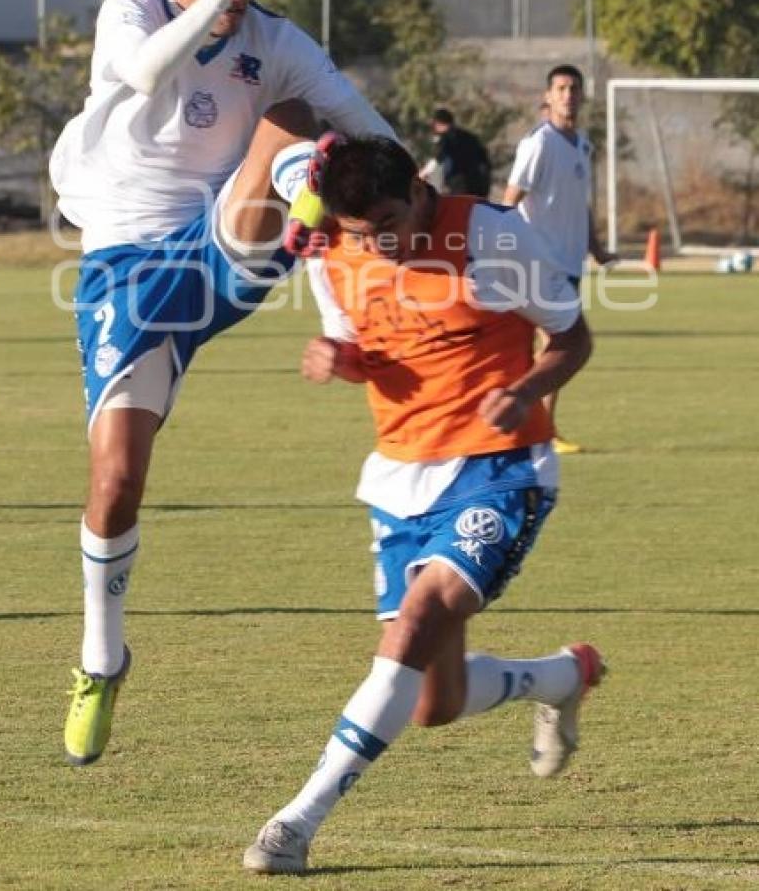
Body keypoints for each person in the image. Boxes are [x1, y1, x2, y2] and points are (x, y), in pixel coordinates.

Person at [50, 0, 394, 768]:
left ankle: (313, 214)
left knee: (298, 124)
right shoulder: (130, 10)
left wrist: (411, 196)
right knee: (117, 478)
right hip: (127, 270)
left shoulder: (271, 39)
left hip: (223, 249)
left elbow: (367, 123)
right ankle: (102, 657)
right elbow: (141, 73)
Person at [243, 136, 604, 876]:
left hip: (501, 470)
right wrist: (337, 358)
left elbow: (572, 336)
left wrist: (527, 391)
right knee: (431, 703)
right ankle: (563, 676)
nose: (379, 242)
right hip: (399, 479)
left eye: (387, 222)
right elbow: (360, 346)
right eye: (359, 230)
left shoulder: (492, 236)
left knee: (410, 629)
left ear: (418, 187)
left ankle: (295, 821)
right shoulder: (335, 252)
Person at [503, 64, 614, 455]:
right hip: (540, 261)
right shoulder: (539, 143)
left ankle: (533, 424)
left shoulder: (582, 144)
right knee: (557, 344)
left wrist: (596, 248)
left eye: (574, 88)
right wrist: (507, 248)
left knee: (548, 345)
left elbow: (578, 205)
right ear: (547, 96)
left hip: (569, 262)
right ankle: (541, 429)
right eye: (561, 88)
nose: (568, 95)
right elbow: (510, 200)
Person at [419, 106, 492, 196]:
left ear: (438, 124)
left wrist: (421, 175)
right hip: (480, 187)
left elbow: (437, 159)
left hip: (461, 187)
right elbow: (486, 164)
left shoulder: (446, 138)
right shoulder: (470, 137)